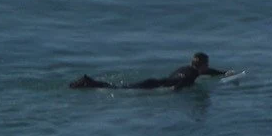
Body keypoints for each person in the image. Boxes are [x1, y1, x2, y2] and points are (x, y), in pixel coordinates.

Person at [71, 53, 228, 91]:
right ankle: (89, 82)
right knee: (120, 89)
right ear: (203, 65)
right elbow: (180, 86)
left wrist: (224, 73)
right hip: (155, 86)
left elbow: (210, 72)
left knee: (122, 87)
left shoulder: (186, 68)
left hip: (154, 81)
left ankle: (89, 82)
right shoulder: (193, 74)